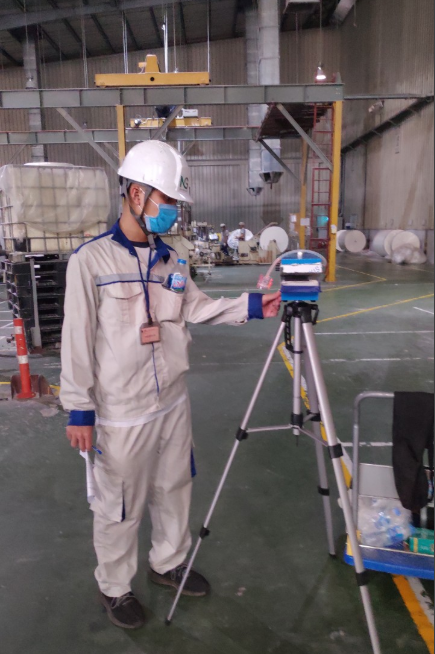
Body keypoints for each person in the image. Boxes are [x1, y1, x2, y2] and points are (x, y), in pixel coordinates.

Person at [60, 141, 281, 631]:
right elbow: (76, 340)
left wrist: (251, 306)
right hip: (121, 411)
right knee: (119, 505)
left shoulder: (172, 259)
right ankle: (114, 587)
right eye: (168, 200)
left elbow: (195, 307)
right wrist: (79, 409)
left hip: (171, 403)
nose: (173, 212)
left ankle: (168, 562)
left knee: (175, 488)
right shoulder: (90, 262)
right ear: (137, 194)